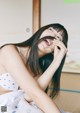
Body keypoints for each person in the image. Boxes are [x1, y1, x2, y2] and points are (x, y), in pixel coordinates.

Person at [0, 23, 68, 113]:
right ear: (40, 31)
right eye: (51, 30)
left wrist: (56, 62)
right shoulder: (10, 50)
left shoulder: (39, 69)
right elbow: (35, 94)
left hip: (21, 107)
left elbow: (29, 97)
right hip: (2, 107)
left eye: (58, 38)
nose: (53, 36)